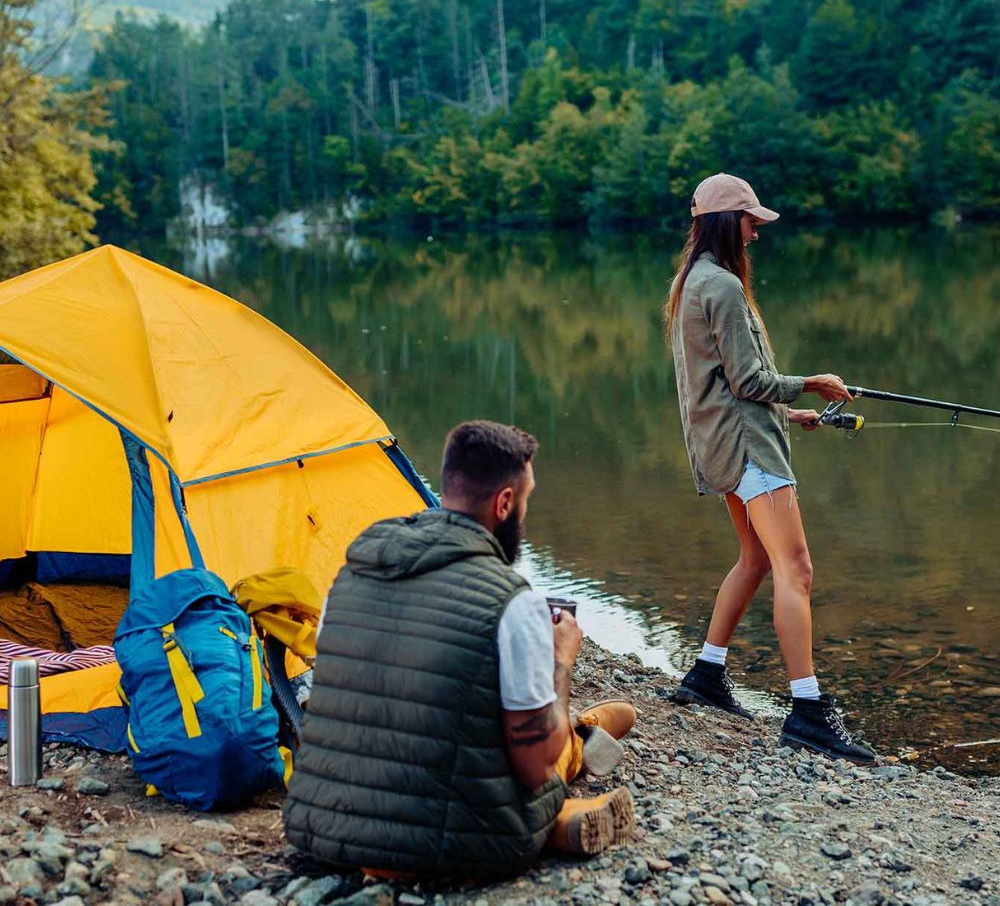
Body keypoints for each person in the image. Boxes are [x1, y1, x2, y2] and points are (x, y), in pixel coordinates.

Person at [284, 420, 637, 878]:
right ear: (505, 503)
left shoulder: (350, 574)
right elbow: (535, 768)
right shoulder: (513, 601)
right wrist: (560, 660)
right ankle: (575, 751)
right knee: (545, 757)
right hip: (446, 847)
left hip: (323, 829)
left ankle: (581, 735)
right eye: (525, 500)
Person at [665, 173, 876, 765]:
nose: (757, 231)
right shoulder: (724, 288)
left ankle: (706, 675)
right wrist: (811, 381)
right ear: (728, 222)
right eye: (752, 220)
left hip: (723, 444)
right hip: (747, 449)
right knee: (797, 568)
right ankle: (808, 711)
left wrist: (791, 409)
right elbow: (748, 381)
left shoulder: (693, 282)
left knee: (757, 559)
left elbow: (725, 384)